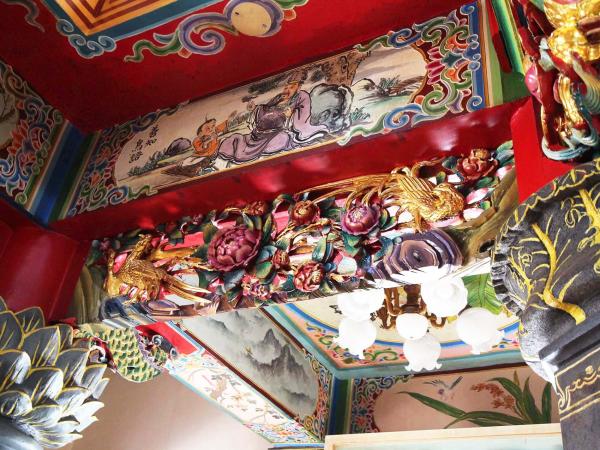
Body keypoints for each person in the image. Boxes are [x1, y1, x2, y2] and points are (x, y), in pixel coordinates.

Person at [218, 71, 330, 164]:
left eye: (291, 87)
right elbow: (265, 109)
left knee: (282, 139)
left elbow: (302, 118)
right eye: (286, 87)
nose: (287, 90)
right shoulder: (279, 97)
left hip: (277, 132)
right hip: (259, 133)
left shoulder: (302, 97)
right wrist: (255, 108)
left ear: (299, 87)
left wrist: (290, 116)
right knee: (235, 140)